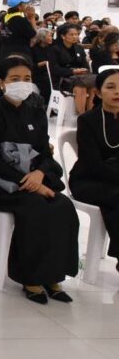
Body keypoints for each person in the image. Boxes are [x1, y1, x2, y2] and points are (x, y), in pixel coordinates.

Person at [0, 55, 79, 303]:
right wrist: (31, 184)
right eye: (15, 79)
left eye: (27, 79)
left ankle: (54, 275)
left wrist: (40, 175)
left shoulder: (35, 111)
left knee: (63, 207)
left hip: (33, 178)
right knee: (35, 208)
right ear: (1, 82)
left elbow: (43, 151)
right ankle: (30, 277)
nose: (22, 83)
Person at [65, 68, 119, 276]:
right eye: (111, 87)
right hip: (87, 179)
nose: (117, 92)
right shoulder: (88, 120)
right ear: (97, 92)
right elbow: (92, 163)